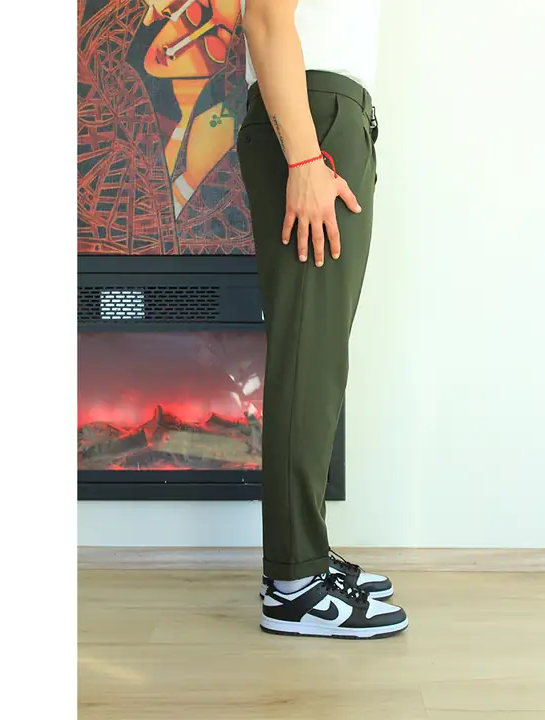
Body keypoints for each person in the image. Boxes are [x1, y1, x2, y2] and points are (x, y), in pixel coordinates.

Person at [237, 0, 408, 639]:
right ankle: (295, 582)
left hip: (327, 117)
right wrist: (307, 160)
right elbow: (265, 19)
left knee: (319, 352)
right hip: (313, 120)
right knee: (308, 353)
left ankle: (304, 557)